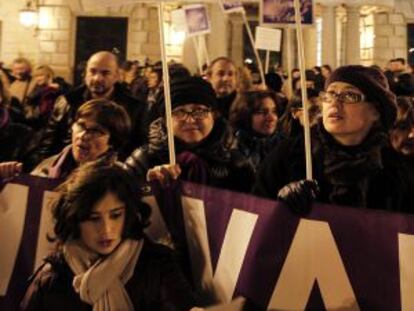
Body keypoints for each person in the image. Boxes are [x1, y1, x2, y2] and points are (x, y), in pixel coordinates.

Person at [20, 161, 200, 311]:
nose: (106, 229)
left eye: (115, 215)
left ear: (129, 213)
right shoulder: (51, 278)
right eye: (93, 218)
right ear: (74, 220)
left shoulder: (158, 264)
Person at [253, 65, 414, 214]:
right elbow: (255, 216)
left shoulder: (396, 170)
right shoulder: (290, 155)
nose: (335, 103)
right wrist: (279, 206)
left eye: (349, 95)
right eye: (330, 95)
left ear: (376, 111)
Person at [124, 76, 254, 193]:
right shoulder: (143, 160)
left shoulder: (236, 164)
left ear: (213, 115)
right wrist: (147, 187)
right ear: (165, 119)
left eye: (199, 111)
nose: (190, 120)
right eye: (180, 112)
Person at [34, 51, 147, 163]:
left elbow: (138, 148)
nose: (97, 78)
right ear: (85, 73)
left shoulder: (134, 108)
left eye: (105, 73)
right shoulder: (67, 101)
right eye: (92, 72)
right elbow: (48, 144)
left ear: (117, 76)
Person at [31, 99, 131, 179]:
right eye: (81, 126)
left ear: (112, 142)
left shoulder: (119, 180)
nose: (83, 135)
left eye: (95, 131)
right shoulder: (47, 166)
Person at [230, 90, 285, 172]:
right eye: (262, 112)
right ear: (245, 115)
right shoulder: (232, 148)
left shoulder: (284, 145)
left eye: (274, 111)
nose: (272, 118)